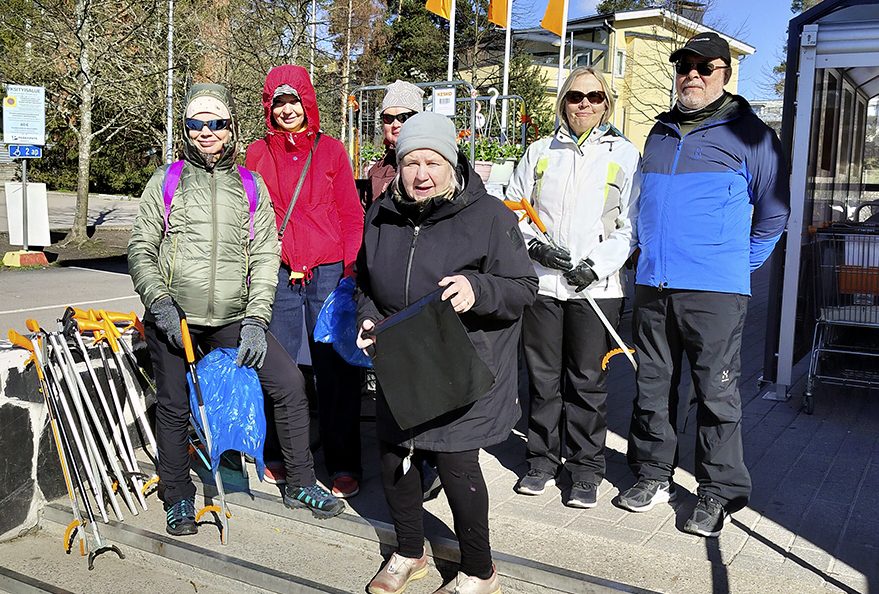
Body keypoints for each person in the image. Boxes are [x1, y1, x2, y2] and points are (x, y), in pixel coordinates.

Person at [128, 84, 345, 536]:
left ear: (231, 128)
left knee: (288, 385)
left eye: (216, 123)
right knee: (172, 405)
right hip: (175, 317)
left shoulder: (249, 184)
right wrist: (159, 300)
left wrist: (256, 319)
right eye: (196, 123)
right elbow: (141, 246)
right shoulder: (166, 180)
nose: (206, 132)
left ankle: (301, 481)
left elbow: (266, 255)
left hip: (232, 318)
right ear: (186, 129)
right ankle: (178, 498)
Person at [355, 111, 537, 594]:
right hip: (402, 360)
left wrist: (477, 289)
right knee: (394, 458)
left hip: (464, 364)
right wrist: (367, 319)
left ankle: (480, 570)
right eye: (410, 162)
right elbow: (363, 283)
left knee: (457, 468)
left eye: (432, 162)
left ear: (452, 163)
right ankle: (409, 551)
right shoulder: (381, 213)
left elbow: (523, 288)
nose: (421, 174)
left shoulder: (490, 217)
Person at [618, 32, 790, 537]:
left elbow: (774, 214)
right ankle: (652, 473)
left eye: (704, 67)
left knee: (715, 393)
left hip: (714, 291)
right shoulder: (660, 131)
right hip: (655, 284)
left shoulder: (753, 135)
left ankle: (718, 492)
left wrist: (735, 267)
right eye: (684, 65)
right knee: (652, 386)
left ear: (725, 73)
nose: (692, 74)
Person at [505, 66, 640, 508]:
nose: (584, 104)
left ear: (607, 104)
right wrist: (535, 249)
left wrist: (597, 266)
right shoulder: (540, 151)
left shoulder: (624, 154)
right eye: (576, 96)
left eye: (595, 97)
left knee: (587, 381)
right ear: (563, 101)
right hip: (545, 286)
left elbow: (629, 225)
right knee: (543, 379)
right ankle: (541, 459)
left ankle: (586, 468)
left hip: (595, 290)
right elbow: (515, 209)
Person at [245, 65, 365, 499]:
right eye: (279, 102)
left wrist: (350, 272)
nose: (288, 109)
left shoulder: (330, 150)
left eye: (294, 100)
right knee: (280, 369)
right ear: (269, 108)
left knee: (336, 369)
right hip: (278, 272)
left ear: (308, 102)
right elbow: (249, 215)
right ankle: (278, 452)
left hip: (328, 270)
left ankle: (344, 462)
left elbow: (352, 215)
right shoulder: (256, 153)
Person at [366, 79, 424, 201]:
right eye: (388, 118)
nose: (395, 124)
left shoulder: (432, 163)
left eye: (403, 117)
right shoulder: (378, 169)